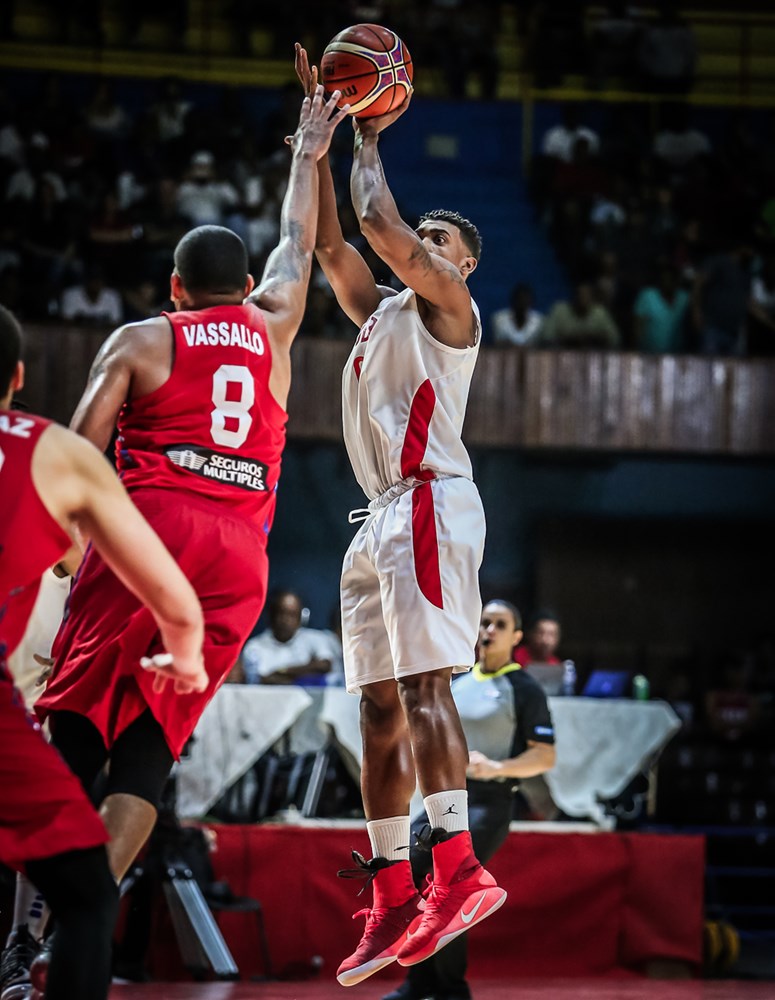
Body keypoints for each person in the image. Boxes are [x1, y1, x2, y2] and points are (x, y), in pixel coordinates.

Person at [25, 87, 348, 983]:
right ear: (245, 290)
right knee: (149, 753)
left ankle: (36, 917)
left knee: (75, 730)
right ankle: (80, 915)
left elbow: (75, 454)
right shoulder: (275, 323)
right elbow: (296, 238)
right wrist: (309, 149)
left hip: (149, 530)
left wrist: (52, 551)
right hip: (238, 556)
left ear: (174, 287)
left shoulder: (139, 338)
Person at [294, 46, 506, 989]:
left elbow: (377, 224)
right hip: (375, 517)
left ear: (457, 264)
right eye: (425, 238)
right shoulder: (379, 314)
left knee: (423, 689)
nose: (422, 241)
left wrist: (370, 130)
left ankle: (456, 872)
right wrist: (316, 141)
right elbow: (335, 245)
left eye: (436, 239)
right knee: (377, 708)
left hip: (428, 502)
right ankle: (389, 890)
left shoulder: (450, 307)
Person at [0, 302, 207, 1000]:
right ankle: (32, 947)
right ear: (19, 375)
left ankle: (20, 947)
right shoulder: (53, 451)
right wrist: (185, 651)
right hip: (54, 655)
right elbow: (165, 593)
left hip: (49, 656)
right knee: (86, 882)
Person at [384, 600, 556, 1000]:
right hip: (441, 800)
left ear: (516, 637)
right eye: (484, 623)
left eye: (500, 624)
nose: (489, 630)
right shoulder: (455, 683)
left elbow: (545, 755)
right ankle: (420, 983)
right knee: (409, 871)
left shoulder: (523, 688)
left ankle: (450, 989)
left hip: (487, 804)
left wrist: (497, 767)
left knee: (450, 885)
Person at [240, 588, 338, 687]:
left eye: (292, 615)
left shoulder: (315, 638)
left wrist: (283, 671)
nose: (286, 620)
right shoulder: (254, 647)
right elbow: (261, 680)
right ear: (271, 615)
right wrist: (305, 674)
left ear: (302, 618)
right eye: (281, 613)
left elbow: (324, 666)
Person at [489, 282, 543, 346]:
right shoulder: (499, 319)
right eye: (520, 299)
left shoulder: (539, 321)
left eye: (525, 300)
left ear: (531, 302)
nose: (522, 303)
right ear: (513, 301)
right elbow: (497, 343)